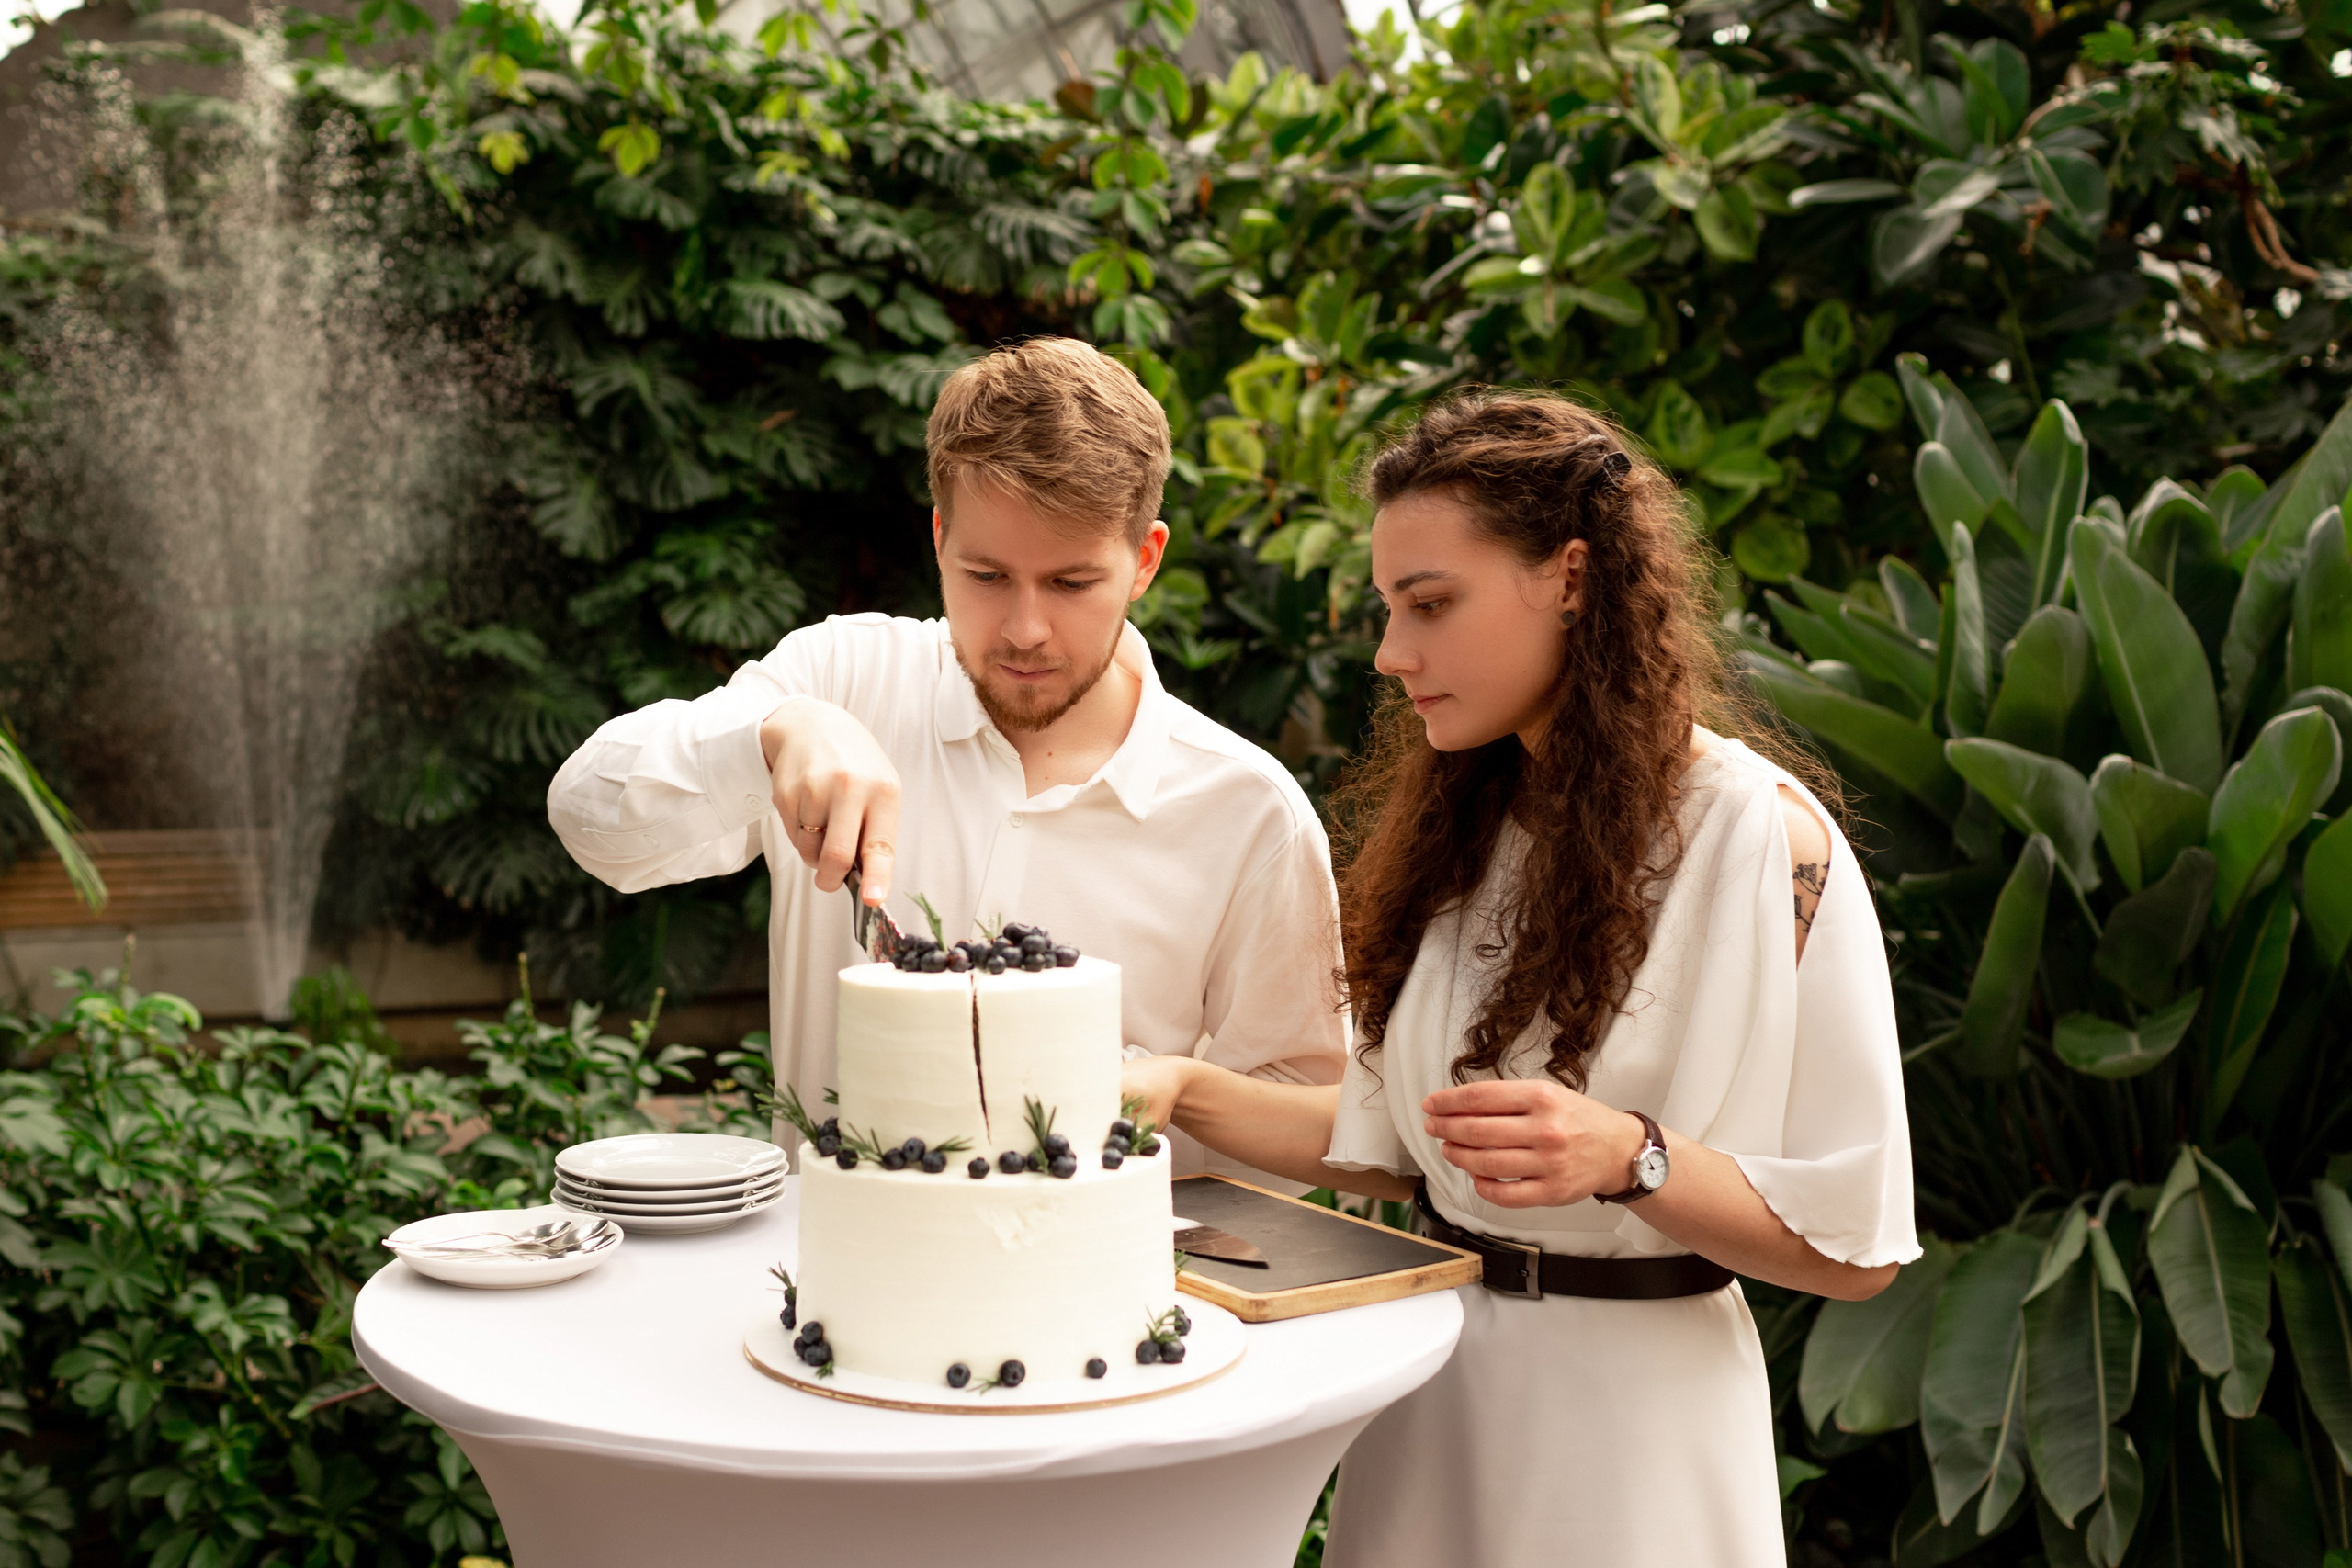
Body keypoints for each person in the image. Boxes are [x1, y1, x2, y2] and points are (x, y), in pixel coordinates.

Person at [1122, 391, 1917, 1564]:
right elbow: (1397, 1149)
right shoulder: (1468, 825)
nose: (1393, 653)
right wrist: (1179, 1087)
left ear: (1573, 577)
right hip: (1434, 1393)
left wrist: (1627, 1157)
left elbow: (1857, 1251)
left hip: (1637, 1438)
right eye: (1393, 609)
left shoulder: (1767, 842)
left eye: (1430, 605)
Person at [548, 337, 1346, 1169]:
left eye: (1072, 584)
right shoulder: (841, 675)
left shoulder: (1249, 809)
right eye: (986, 575)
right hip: (830, 1280)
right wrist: (771, 735)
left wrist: (1178, 1090)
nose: (1026, 629)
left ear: (1144, 560)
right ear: (938, 539)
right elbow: (588, 817)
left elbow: (1327, 1125)